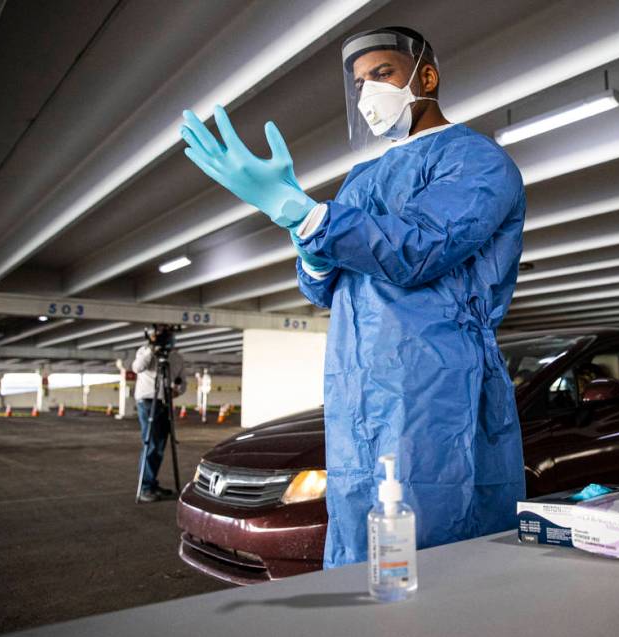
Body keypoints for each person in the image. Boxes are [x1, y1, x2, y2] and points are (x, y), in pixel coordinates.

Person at [179, 26, 526, 568]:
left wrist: (304, 213)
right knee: (356, 537)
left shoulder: (476, 161)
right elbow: (324, 286)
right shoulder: (362, 179)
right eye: (359, 83)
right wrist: (311, 249)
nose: (368, 94)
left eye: (382, 74)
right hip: (355, 382)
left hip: (436, 382)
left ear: (426, 77)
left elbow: (419, 252)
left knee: (432, 539)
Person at [132, 326, 186, 503]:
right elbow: (137, 368)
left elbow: (182, 382)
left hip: (165, 402)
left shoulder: (176, 358)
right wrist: (151, 350)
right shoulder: (145, 351)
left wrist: (177, 390)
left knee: (160, 445)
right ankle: (145, 488)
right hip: (148, 401)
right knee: (152, 444)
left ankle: (151, 484)